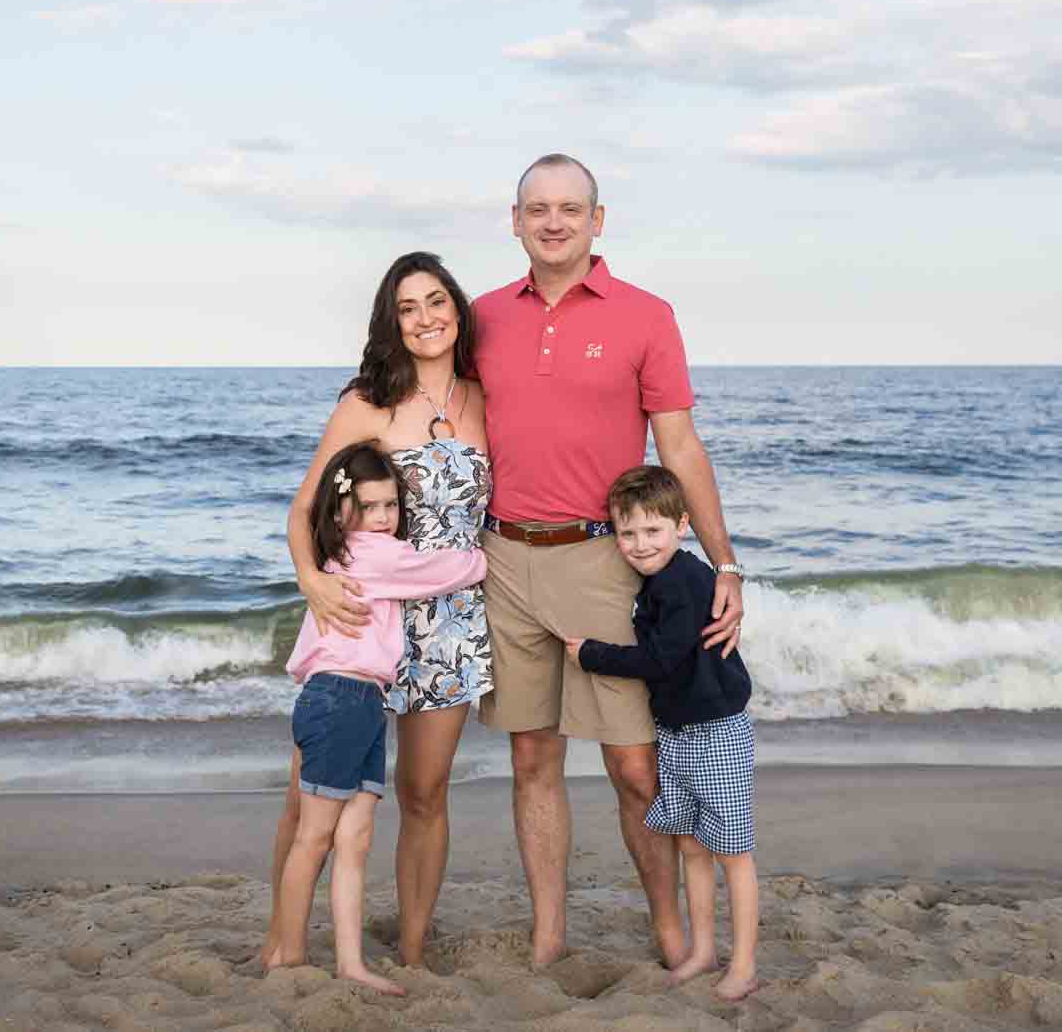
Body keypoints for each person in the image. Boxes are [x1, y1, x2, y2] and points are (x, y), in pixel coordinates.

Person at [472, 152, 746, 968]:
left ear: (599, 219)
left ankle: (669, 928)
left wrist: (724, 562)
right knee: (532, 758)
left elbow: (682, 445)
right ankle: (549, 936)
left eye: (570, 207)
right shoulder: (481, 316)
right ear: (514, 220)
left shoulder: (646, 315)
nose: (552, 221)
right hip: (505, 559)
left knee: (633, 765)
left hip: (604, 564)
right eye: (537, 208)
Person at [279, 251, 492, 968]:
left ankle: (410, 948)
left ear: (457, 308)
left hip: (449, 628)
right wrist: (311, 578)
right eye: (408, 307)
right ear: (390, 321)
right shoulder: (365, 401)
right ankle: (284, 943)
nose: (426, 317)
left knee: (423, 792)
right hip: (359, 622)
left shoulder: (486, 398)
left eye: (437, 301)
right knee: (310, 796)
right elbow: (306, 505)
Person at [261, 441, 486, 993]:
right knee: (315, 837)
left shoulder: (351, 551)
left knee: (355, 837)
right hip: (339, 700)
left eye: (391, 506)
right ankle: (286, 953)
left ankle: (349, 962)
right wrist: (482, 549)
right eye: (370, 506)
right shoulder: (370, 554)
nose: (384, 518)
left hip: (364, 704)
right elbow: (455, 569)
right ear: (342, 510)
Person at [564, 465, 757, 1002]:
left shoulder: (685, 582)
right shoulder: (657, 580)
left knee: (733, 855)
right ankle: (701, 951)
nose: (639, 544)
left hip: (716, 732)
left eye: (653, 531)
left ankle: (743, 965)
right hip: (676, 733)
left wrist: (590, 655)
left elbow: (661, 659)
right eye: (627, 533)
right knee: (692, 846)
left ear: (682, 525)